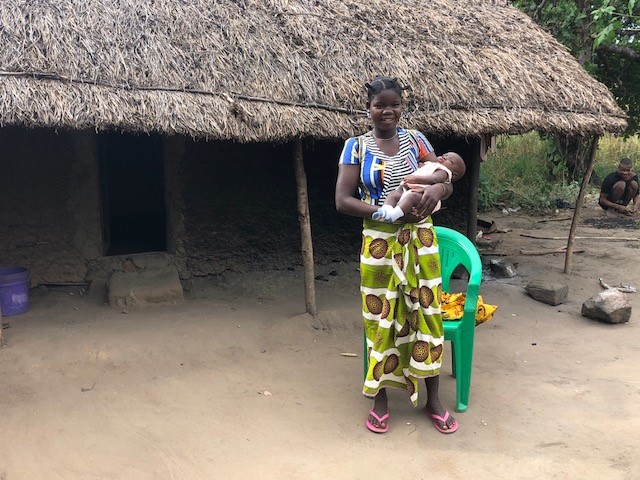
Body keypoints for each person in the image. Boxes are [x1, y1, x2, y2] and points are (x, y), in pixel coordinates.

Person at [335, 75, 458, 434]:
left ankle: (433, 398)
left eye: (394, 104)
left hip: (421, 239)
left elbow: (445, 176)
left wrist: (439, 189)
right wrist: (384, 212)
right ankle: (381, 398)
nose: (387, 111)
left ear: (402, 106)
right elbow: (342, 201)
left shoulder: (418, 141)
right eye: (380, 105)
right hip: (379, 242)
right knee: (381, 316)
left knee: (427, 311)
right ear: (368, 108)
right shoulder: (354, 147)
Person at [372, 152, 466, 222]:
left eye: (450, 160)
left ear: (453, 175)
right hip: (407, 190)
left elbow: (434, 179)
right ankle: (386, 210)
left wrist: (415, 178)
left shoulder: (444, 171)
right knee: (393, 194)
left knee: (411, 198)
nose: (444, 157)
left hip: (421, 196)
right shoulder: (431, 164)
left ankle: (394, 215)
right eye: (444, 155)